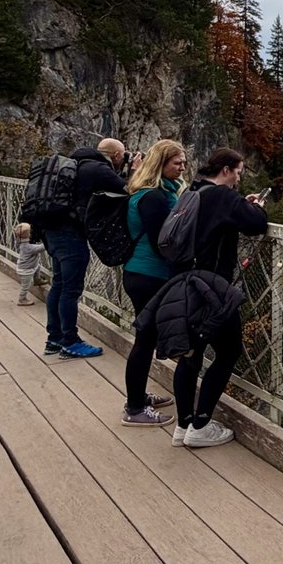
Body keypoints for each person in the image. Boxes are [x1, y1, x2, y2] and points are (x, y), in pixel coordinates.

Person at [169, 147, 268, 448]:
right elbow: (256, 225)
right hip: (212, 289)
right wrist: (258, 207)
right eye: (238, 172)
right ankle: (200, 426)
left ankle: (182, 424)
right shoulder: (223, 197)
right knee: (228, 351)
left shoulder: (192, 191)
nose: (239, 178)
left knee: (190, 356)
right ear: (226, 170)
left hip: (183, 284)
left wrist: (242, 204)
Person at [120, 140, 185, 426]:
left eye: (183, 162)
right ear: (161, 163)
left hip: (142, 272)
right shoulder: (154, 197)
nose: (182, 167)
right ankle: (134, 409)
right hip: (149, 274)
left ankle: (137, 397)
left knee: (145, 339)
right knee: (145, 341)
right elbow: (162, 241)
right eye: (176, 163)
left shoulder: (150, 193)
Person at [43, 137, 126, 359]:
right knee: (70, 290)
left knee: (58, 285)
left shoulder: (74, 163)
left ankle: (54, 338)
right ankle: (70, 341)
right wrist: (135, 169)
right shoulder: (98, 169)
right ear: (116, 155)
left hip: (51, 231)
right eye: (122, 156)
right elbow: (128, 188)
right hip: (70, 235)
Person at [13, 222, 46, 306]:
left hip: (29, 266)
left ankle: (37, 280)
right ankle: (22, 299)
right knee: (25, 286)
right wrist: (47, 242)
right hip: (26, 270)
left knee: (37, 267)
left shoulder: (20, 242)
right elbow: (40, 248)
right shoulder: (27, 246)